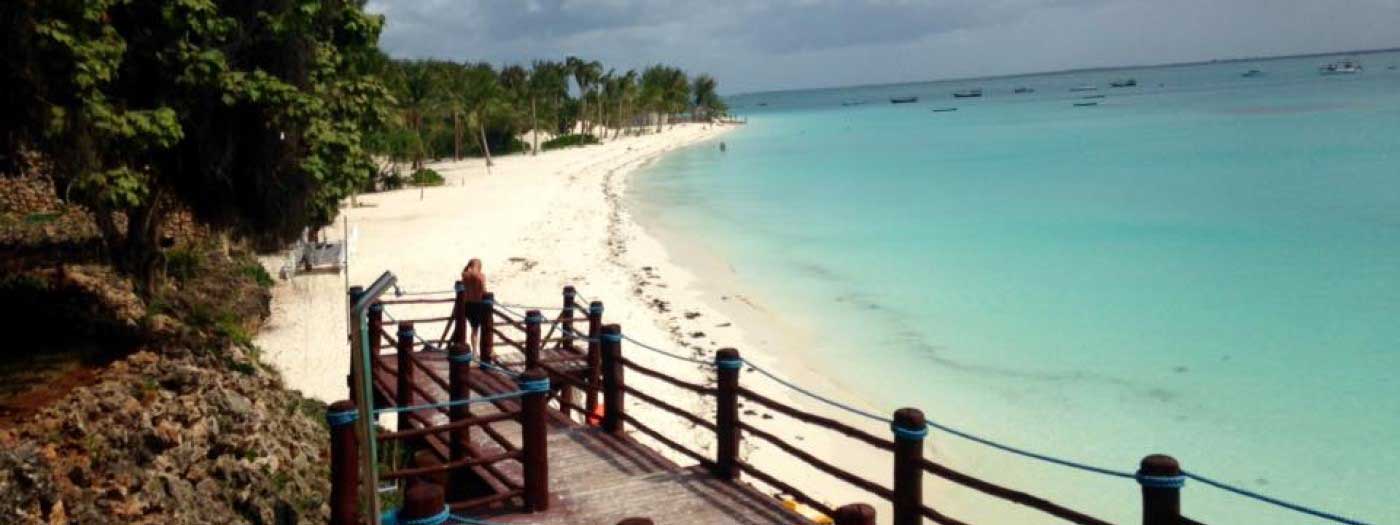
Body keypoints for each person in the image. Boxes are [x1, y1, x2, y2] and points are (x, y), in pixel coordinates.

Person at [461, 259, 488, 352]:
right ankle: (477, 352)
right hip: (478, 304)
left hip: (467, 304)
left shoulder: (464, 275)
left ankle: (475, 351)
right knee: (478, 330)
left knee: (472, 329)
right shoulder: (481, 276)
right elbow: (484, 291)